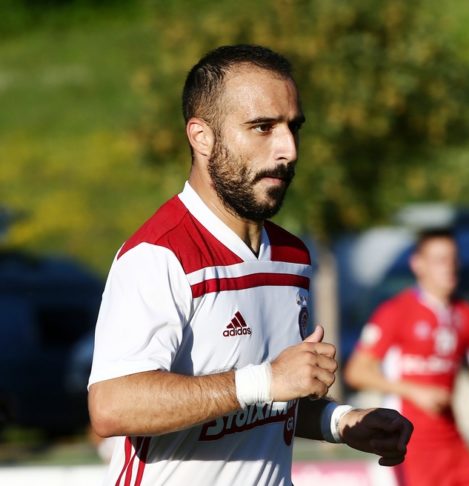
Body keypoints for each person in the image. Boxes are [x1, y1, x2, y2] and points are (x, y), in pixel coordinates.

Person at [87, 44, 412, 486]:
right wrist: (265, 380)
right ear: (201, 136)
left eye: (293, 127)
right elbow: (112, 405)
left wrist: (341, 421)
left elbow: (267, 404)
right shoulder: (160, 255)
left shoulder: (292, 256)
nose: (288, 150)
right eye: (263, 127)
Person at [344, 229, 469, 486]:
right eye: (440, 260)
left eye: (453, 259)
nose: (449, 267)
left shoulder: (466, 315)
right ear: (418, 264)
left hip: (452, 439)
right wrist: (414, 391)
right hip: (409, 440)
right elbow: (356, 372)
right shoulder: (395, 311)